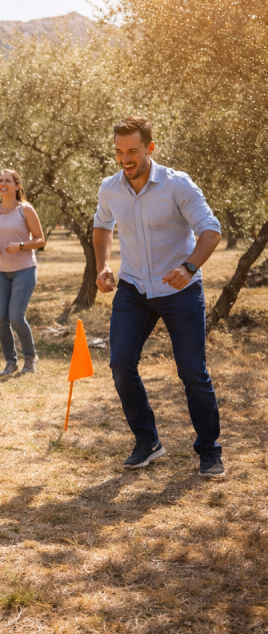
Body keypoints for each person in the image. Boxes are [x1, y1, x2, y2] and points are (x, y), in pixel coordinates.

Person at [94, 117, 224, 478]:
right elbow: (101, 226)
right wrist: (103, 265)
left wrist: (189, 267)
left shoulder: (176, 185)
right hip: (134, 288)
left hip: (179, 290)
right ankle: (147, 441)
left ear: (150, 148)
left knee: (192, 371)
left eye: (133, 151)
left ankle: (209, 450)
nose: (125, 159)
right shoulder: (110, 188)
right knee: (120, 363)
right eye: (119, 152)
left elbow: (211, 231)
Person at [0, 169, 45, 376]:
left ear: (17, 186)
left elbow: (40, 240)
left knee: (16, 316)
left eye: (7, 180)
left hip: (24, 271)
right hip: (0, 271)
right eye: (0, 180)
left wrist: (20, 245)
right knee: (1, 318)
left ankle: (31, 357)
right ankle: (11, 362)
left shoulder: (25, 210)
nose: (3, 183)